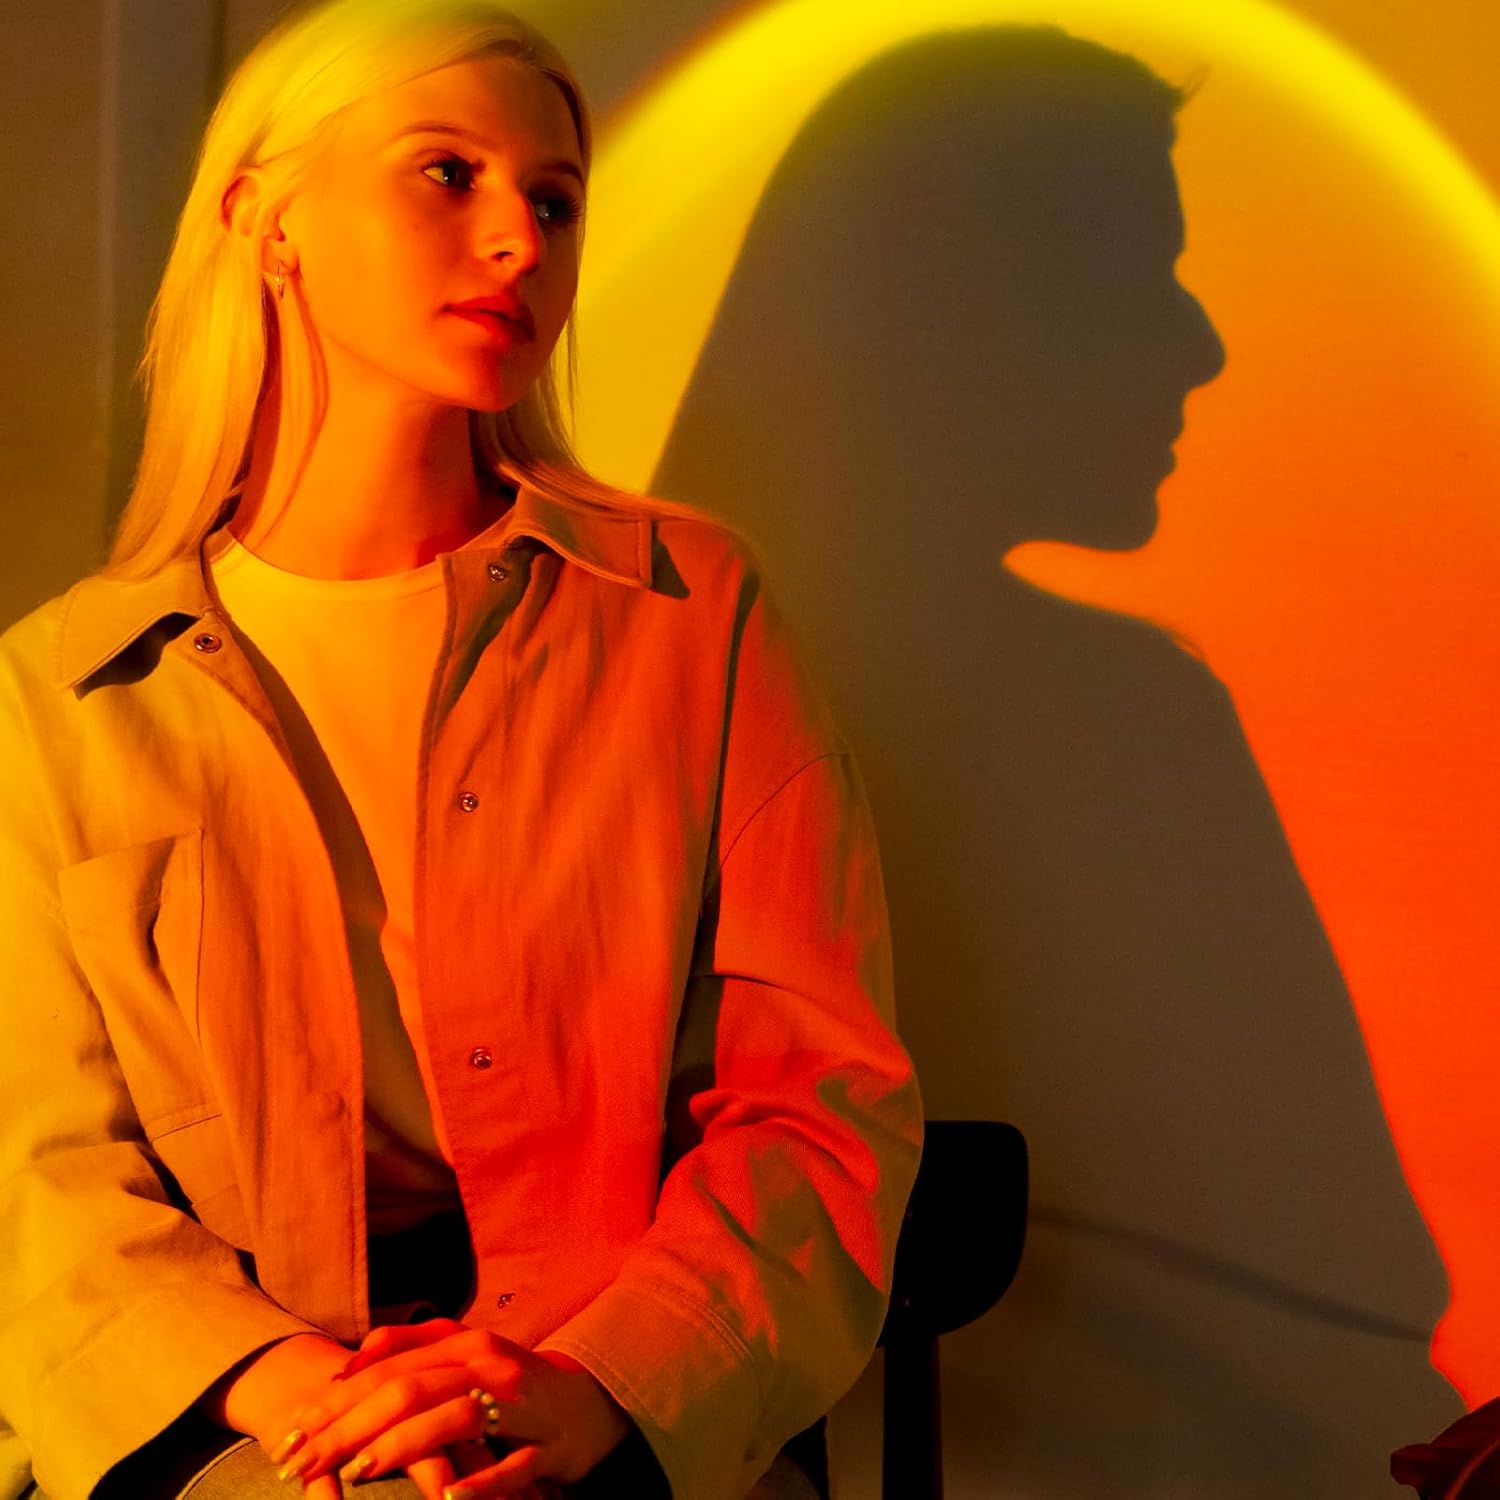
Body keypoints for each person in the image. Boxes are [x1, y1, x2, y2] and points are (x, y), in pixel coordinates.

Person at [0, 2, 923, 1497]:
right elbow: (39, 1176)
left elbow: (815, 1103)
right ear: (265, 219)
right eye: (448, 173)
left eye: (554, 201)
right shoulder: (63, 697)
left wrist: (598, 1384)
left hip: (603, 1423)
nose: (517, 241)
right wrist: (313, 1403)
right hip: (241, 1432)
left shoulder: (690, 617)